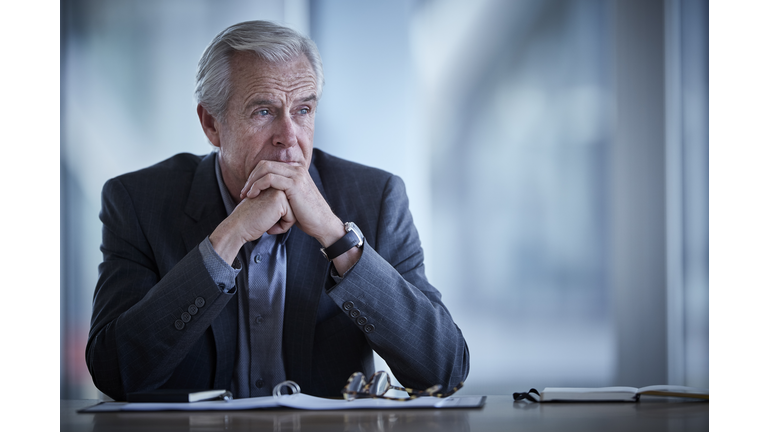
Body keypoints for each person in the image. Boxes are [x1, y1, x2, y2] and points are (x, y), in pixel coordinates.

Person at [86, 20, 469, 401]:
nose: (289, 136)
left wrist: (337, 240)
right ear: (211, 125)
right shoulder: (136, 201)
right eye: (264, 112)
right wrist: (228, 237)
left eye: (303, 110)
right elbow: (116, 372)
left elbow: (444, 370)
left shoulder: (377, 198)